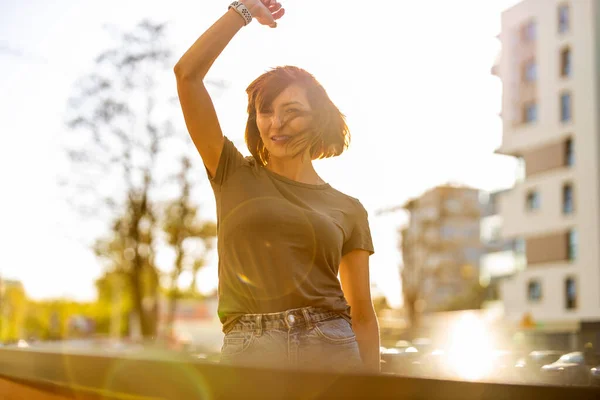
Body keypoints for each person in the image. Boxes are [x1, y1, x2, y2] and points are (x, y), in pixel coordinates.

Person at [174, 0, 380, 373]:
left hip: (331, 348)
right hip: (249, 351)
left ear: (318, 119)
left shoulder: (349, 208)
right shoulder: (232, 172)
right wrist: (242, 11)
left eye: (292, 111)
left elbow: (363, 316)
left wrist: (374, 390)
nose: (276, 124)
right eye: (266, 111)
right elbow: (187, 75)